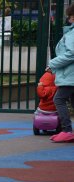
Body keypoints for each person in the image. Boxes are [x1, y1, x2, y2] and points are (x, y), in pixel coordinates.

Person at [47, 3, 74, 143]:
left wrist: (52, 64)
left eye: (70, 16)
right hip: (70, 75)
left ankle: (67, 130)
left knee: (59, 99)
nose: (68, 19)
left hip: (70, 75)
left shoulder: (72, 34)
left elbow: (71, 54)